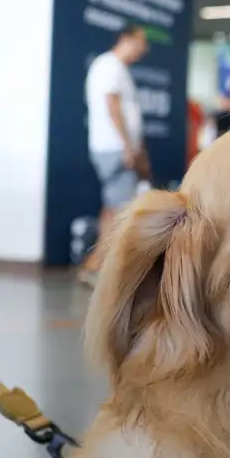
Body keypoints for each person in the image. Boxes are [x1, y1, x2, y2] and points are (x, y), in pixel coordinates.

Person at [80, 24, 150, 286]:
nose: (142, 51)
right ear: (126, 38)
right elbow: (112, 106)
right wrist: (127, 146)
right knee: (120, 210)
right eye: (140, 44)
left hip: (118, 148)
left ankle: (96, 265)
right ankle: (99, 267)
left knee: (112, 209)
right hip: (114, 149)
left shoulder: (118, 69)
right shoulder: (108, 66)